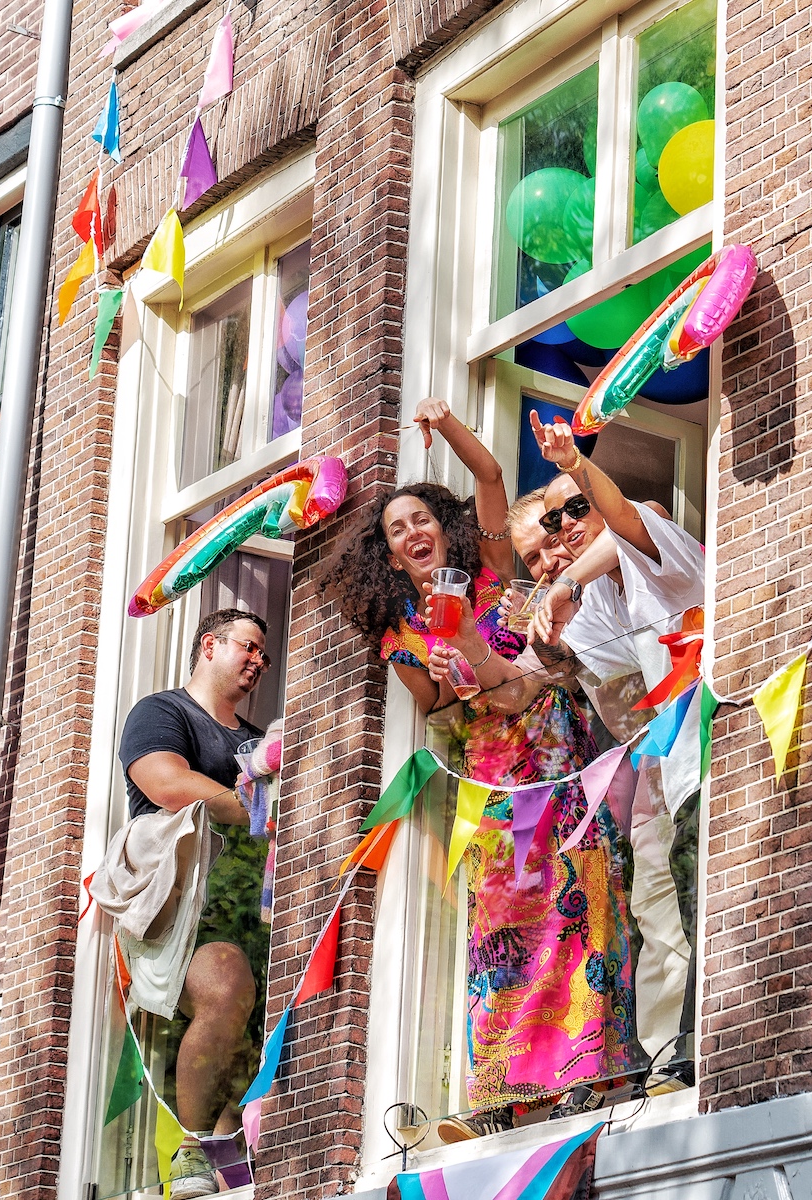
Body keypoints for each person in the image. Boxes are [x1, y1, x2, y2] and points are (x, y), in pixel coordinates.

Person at [324, 397, 637, 1142]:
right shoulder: (401, 634)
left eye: (421, 519)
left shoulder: (493, 565)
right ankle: (503, 1088)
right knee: (502, 930)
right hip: (492, 784)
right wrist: (442, 668)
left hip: (557, 756)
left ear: (442, 526)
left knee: (579, 910)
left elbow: (492, 471)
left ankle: (588, 1074)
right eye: (398, 530)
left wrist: (444, 423)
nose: (414, 533)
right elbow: (439, 706)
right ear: (392, 556)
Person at [507, 414, 702, 1086]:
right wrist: (461, 654)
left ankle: (694, 1044)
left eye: (573, 514)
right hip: (660, 775)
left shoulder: (656, 554)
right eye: (539, 548)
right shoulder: (585, 610)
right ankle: (662, 1057)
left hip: (716, 753)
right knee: (658, 913)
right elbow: (516, 683)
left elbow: (634, 515)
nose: (560, 542)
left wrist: (558, 583)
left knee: (694, 894)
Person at [117, 608, 271, 1197]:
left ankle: (231, 1147)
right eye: (248, 646)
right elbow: (166, 784)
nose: (257, 661)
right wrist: (256, 808)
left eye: (263, 653)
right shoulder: (163, 712)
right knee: (227, 987)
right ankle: (192, 1144)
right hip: (186, 901)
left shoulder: (256, 742)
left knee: (258, 1021)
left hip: (254, 903)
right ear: (210, 644)